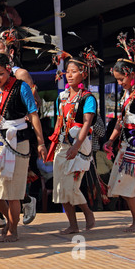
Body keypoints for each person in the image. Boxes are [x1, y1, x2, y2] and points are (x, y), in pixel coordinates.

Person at [0, 53, 46, 242]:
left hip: (18, 143)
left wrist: (41, 143)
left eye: (0, 74)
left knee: (13, 192)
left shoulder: (21, 87)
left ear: (9, 70)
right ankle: (9, 218)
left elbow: (33, 115)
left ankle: (13, 229)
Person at [47, 56, 96, 235]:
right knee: (60, 187)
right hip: (62, 145)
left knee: (71, 186)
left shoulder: (88, 98)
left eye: (73, 72)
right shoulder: (64, 96)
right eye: (67, 71)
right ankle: (73, 225)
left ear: (83, 74)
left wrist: (76, 147)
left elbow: (86, 123)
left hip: (78, 147)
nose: (69, 75)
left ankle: (88, 213)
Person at [104, 59, 135, 232]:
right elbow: (120, 121)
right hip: (126, 142)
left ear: (131, 75)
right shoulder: (127, 93)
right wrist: (111, 140)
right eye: (117, 80)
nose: (119, 83)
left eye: (121, 79)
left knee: (127, 184)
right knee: (119, 184)